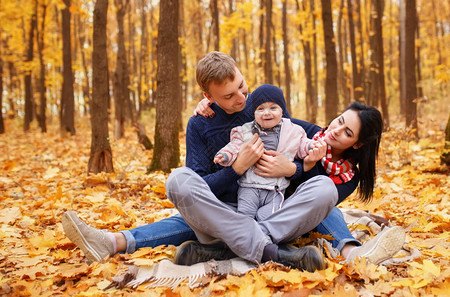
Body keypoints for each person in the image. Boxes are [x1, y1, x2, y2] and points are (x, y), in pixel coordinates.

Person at [62, 51, 403, 270]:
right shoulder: (202, 122)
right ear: (208, 97)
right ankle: (267, 250)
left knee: (325, 192)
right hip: (224, 210)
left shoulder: (265, 108)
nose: (244, 99)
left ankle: (227, 249)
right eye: (230, 95)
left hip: (276, 213)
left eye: (244, 87)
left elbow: (298, 144)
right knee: (178, 181)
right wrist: (236, 167)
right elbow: (197, 188)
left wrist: (296, 168)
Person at [214, 84, 318, 220]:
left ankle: (261, 235)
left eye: (273, 108)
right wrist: (225, 155)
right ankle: (245, 233)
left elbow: (301, 144)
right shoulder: (246, 130)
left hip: (276, 189)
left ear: (282, 111)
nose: (266, 113)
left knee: (269, 216)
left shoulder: (292, 131)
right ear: (254, 113)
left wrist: (311, 146)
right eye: (260, 109)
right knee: (245, 215)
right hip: (249, 186)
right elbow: (234, 146)